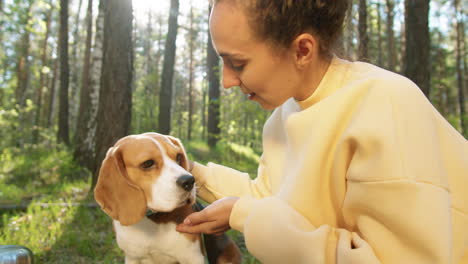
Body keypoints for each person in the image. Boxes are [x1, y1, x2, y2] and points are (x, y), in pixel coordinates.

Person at [176, 0, 468, 263]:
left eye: (237, 63)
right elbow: (267, 199)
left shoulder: (385, 104)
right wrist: (183, 171)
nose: (226, 81)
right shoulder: (284, 114)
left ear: (302, 50)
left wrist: (245, 215)